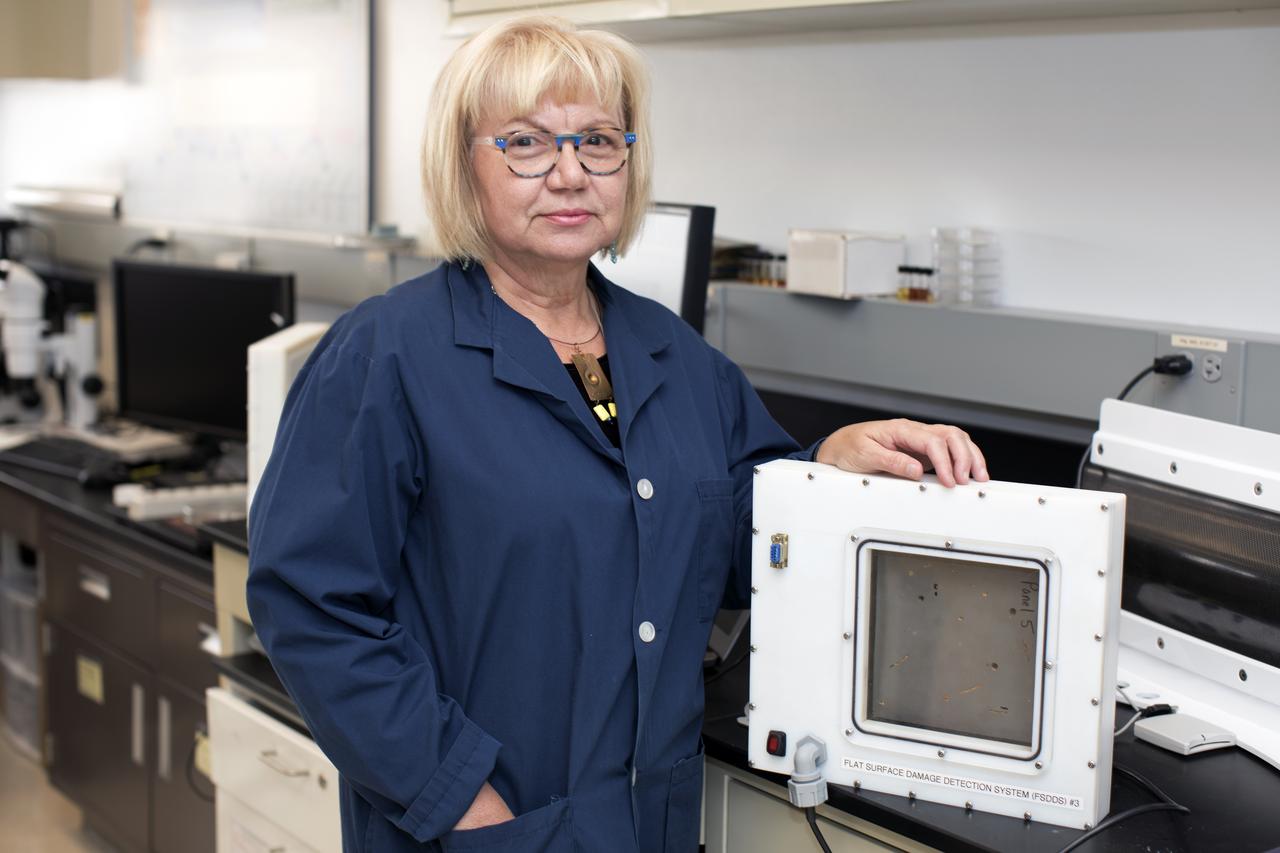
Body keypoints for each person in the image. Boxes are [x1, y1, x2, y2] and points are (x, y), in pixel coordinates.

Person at [246, 15, 988, 853]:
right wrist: (461, 799)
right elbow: (310, 605)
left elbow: (731, 533)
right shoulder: (386, 354)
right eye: (526, 143)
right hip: (480, 826)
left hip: (646, 824)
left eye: (598, 141)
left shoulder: (675, 356)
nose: (570, 173)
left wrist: (827, 465)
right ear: (464, 164)